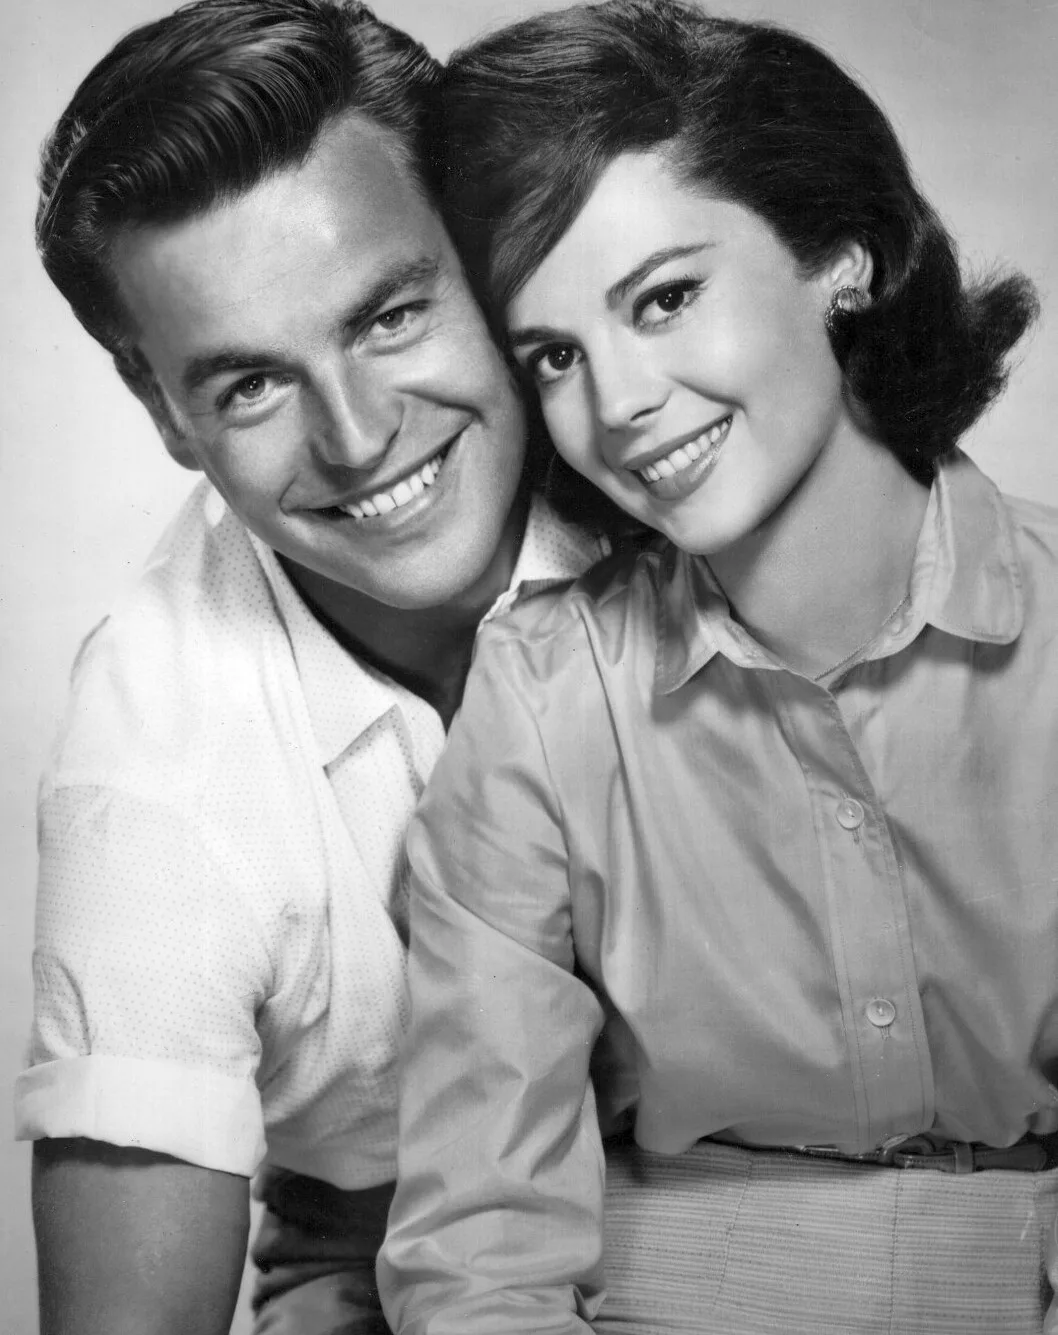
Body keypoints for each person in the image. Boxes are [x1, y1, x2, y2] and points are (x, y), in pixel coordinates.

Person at [378, 2, 1058, 1331]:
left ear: (842, 258)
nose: (618, 403)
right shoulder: (542, 698)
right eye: (554, 356)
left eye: (665, 299)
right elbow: (479, 1249)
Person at [13, 3, 608, 1332]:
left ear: (487, 257)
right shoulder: (154, 768)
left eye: (390, 315)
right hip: (387, 1243)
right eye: (250, 386)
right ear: (163, 410)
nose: (357, 436)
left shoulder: (676, 456)